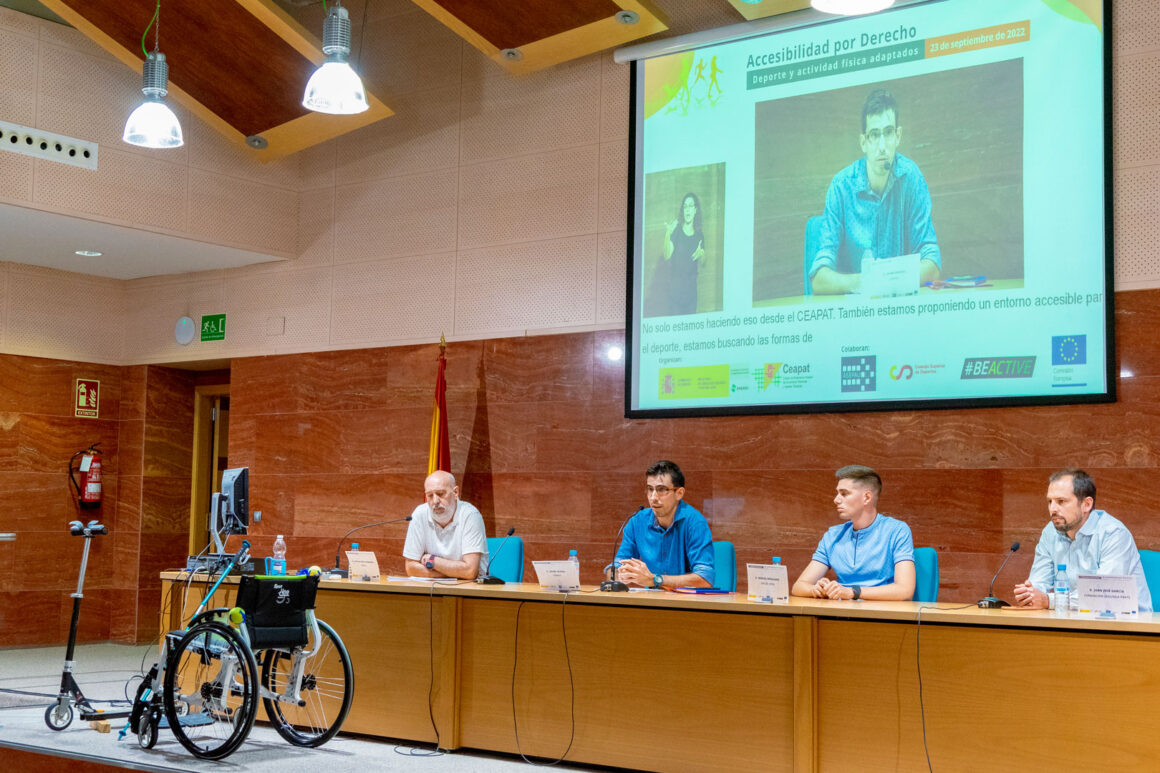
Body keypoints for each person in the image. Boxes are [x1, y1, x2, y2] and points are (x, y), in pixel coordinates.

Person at [810, 88, 940, 295]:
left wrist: (885, 281)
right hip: (854, 310)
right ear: (864, 142)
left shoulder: (911, 179)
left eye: (888, 133)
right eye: (874, 135)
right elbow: (819, 279)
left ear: (898, 136)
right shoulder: (841, 186)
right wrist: (867, 282)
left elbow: (932, 264)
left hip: (900, 307)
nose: (882, 146)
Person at [1013, 470, 1152, 612]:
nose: (1052, 509)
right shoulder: (1050, 532)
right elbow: (1038, 582)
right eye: (1050, 501)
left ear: (1086, 504)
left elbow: (1103, 595)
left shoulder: (1113, 533)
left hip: (1128, 621)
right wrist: (1029, 595)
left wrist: (1048, 600)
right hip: (1074, 619)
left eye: (1061, 501)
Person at [792, 465, 915, 600]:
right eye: (837, 493)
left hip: (882, 610)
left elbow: (905, 590)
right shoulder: (832, 535)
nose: (836, 500)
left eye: (844, 493)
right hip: (840, 609)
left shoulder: (897, 530)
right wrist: (816, 589)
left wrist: (853, 592)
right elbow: (798, 586)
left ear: (867, 497)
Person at [607, 460, 715, 589]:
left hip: (685, 600)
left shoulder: (695, 522)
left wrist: (655, 580)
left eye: (661, 490)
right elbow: (615, 567)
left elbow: (704, 579)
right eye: (650, 489)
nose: (653, 497)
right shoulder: (637, 522)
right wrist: (619, 575)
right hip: (651, 599)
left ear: (679, 493)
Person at [403, 470, 489, 580]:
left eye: (440, 494)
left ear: (456, 493)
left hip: (468, 588)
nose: (435, 501)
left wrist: (432, 561)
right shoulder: (419, 514)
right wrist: (454, 573)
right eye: (430, 495)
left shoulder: (470, 515)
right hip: (431, 587)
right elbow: (410, 568)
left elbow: (470, 571)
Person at [656, 192, 706, 315]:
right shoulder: (677, 231)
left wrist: (702, 254)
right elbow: (667, 255)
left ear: (695, 210)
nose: (687, 210)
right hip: (675, 294)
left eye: (690, 206)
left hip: (691, 295)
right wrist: (668, 234)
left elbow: (703, 263)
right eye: (685, 206)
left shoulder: (699, 235)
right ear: (683, 211)